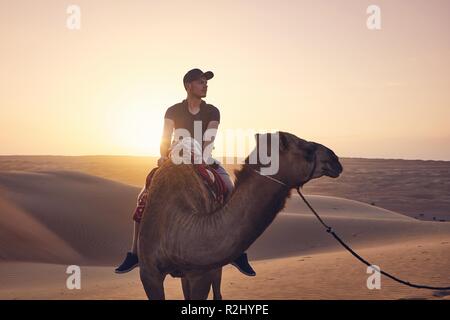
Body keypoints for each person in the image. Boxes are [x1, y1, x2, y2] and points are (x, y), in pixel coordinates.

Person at [115, 68, 256, 277]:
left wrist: (201, 157)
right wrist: (164, 155)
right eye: (201, 82)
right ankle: (135, 253)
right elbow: (165, 137)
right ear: (189, 86)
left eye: (206, 82)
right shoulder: (172, 111)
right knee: (143, 196)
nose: (205, 85)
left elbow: (210, 138)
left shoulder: (212, 111)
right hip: (175, 158)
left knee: (229, 189)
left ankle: (237, 252)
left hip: (204, 157)